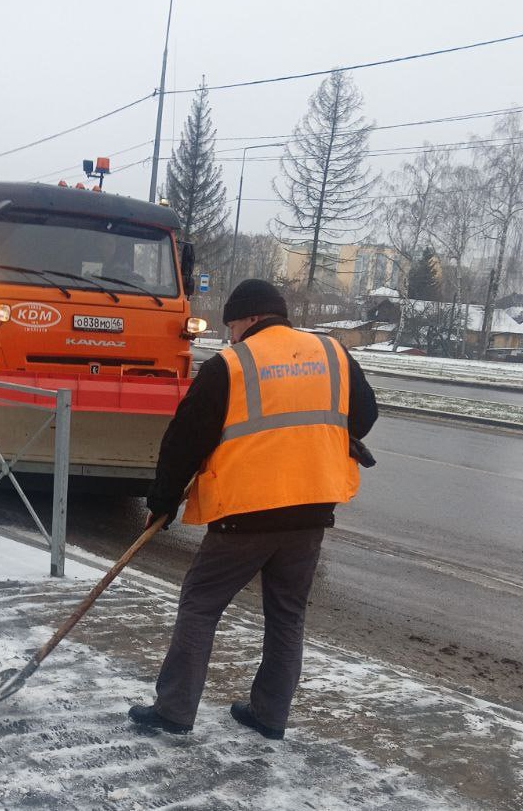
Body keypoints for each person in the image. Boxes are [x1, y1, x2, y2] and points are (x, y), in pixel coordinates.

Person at [128, 278, 378, 739]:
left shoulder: (232, 365)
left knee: (201, 605)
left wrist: (162, 501)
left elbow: (183, 441)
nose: (232, 335)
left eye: (233, 325)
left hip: (245, 513)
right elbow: (363, 416)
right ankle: (269, 715)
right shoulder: (333, 353)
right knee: (287, 615)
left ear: (249, 318)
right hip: (311, 508)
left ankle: (174, 711)